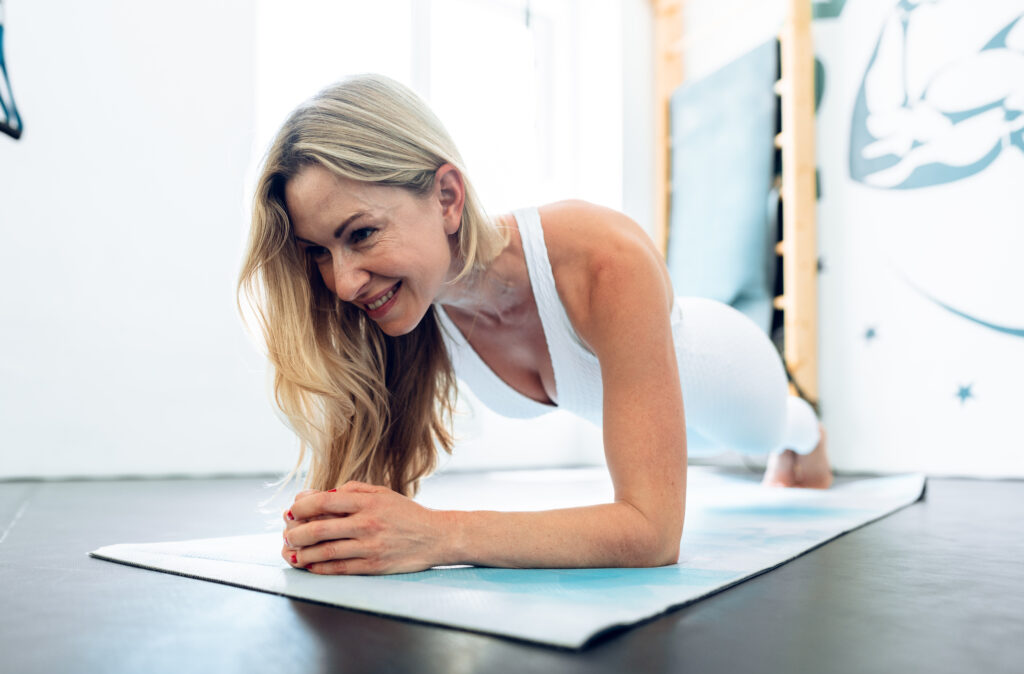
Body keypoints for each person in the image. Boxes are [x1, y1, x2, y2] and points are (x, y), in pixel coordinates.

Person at [237, 74, 832, 577]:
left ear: (447, 197)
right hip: (646, 421)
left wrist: (441, 535)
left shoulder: (603, 260)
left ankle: (806, 427)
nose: (341, 283)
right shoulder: (404, 308)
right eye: (319, 251)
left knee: (779, 429)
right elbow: (366, 517)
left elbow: (653, 534)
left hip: (731, 375)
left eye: (360, 234)